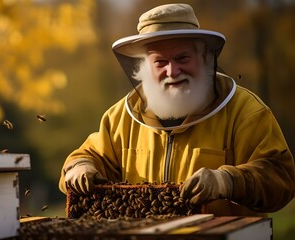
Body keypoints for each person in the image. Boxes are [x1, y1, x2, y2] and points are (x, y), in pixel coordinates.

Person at [59, 3, 295, 216]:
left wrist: (228, 181)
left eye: (182, 58)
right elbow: (88, 157)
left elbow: (281, 177)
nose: (172, 71)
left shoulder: (245, 111)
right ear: (144, 66)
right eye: (160, 62)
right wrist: (80, 167)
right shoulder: (119, 118)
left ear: (204, 57)